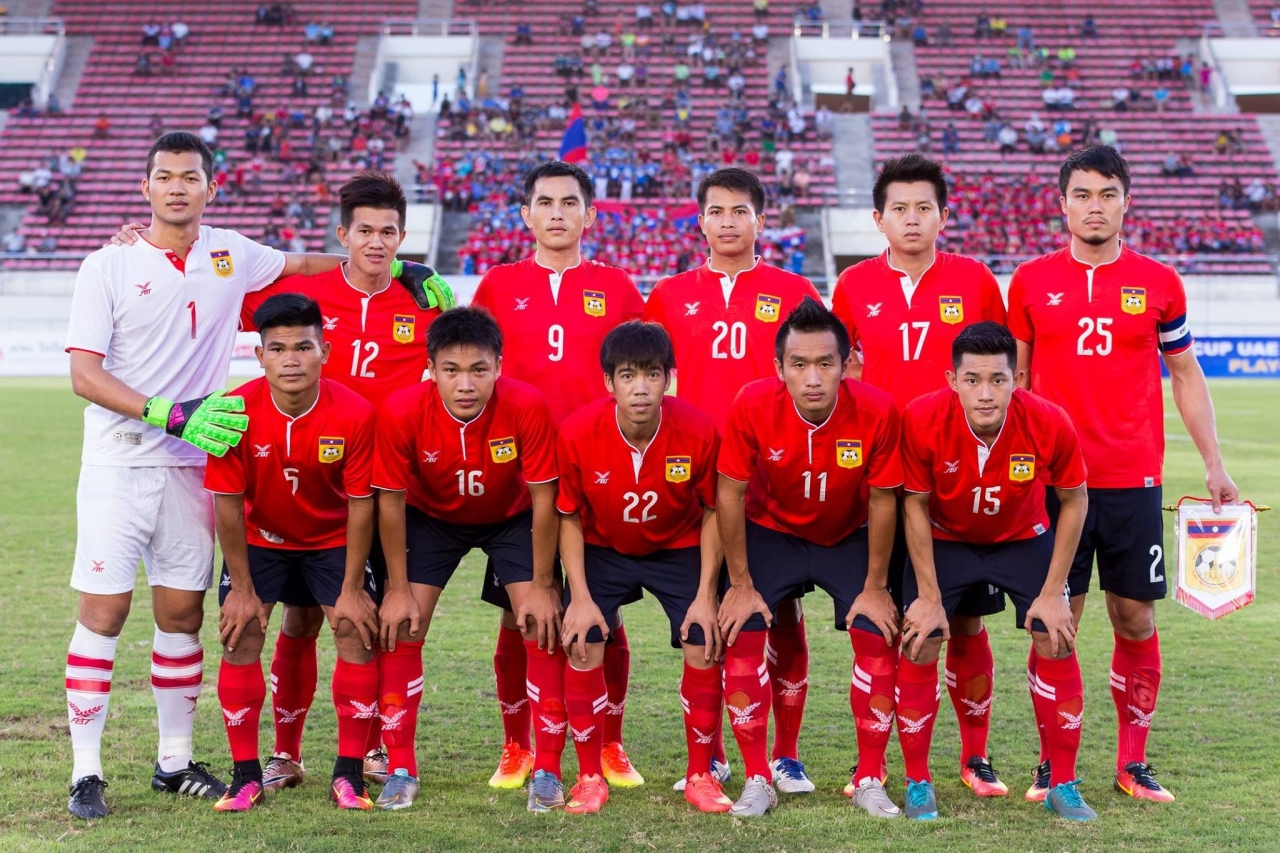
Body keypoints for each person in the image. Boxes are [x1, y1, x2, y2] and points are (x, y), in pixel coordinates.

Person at [62, 131, 347, 820]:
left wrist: (394, 266)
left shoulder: (232, 252)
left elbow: (309, 264)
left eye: (190, 177)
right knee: (104, 613)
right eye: (165, 176)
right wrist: (168, 412)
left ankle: (174, 761)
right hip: (119, 460)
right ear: (146, 187)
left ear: (211, 188)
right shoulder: (106, 264)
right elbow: (84, 375)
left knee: (182, 615)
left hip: (194, 466)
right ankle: (85, 771)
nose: (177, 187)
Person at [1007, 145, 1237, 803]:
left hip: (1134, 481)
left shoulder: (1160, 282)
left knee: (1134, 617)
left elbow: (1185, 374)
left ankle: (1132, 763)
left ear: (1126, 202)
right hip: (1056, 486)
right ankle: (1052, 764)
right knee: (1054, 623)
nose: (1095, 206)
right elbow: (1016, 379)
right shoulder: (1029, 281)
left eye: (1107, 194)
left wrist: (1214, 463)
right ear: (1062, 204)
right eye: (1082, 194)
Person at [234, 171, 452, 797]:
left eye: (389, 233)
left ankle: (375, 745)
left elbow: (464, 358)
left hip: (388, 488)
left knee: (375, 620)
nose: (376, 242)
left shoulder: (424, 301)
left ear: (403, 238)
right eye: (365, 231)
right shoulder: (303, 295)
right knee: (300, 622)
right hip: (311, 483)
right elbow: (218, 285)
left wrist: (421, 280)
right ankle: (286, 753)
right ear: (343, 235)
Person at [830, 153, 1010, 799]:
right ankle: (871, 762)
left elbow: (999, 376)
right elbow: (841, 369)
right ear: (878, 218)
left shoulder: (976, 280)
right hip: (879, 482)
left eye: (923, 208)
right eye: (899, 208)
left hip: (955, 480)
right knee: (878, 621)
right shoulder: (852, 285)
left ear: (943, 214)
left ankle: (975, 756)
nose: (912, 219)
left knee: (964, 622)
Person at [644, 168, 823, 796]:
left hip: (773, 479)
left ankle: (787, 755)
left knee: (782, 611)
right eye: (716, 211)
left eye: (740, 211)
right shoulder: (669, 295)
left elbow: (818, 373)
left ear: (760, 220)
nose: (728, 222)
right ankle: (714, 756)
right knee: (710, 615)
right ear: (700, 222)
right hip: (698, 482)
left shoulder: (795, 290)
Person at [470, 161, 646, 792]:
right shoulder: (498, 283)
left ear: (590, 214)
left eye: (569, 202)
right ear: (525, 214)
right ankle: (517, 744)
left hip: (597, 478)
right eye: (544, 202)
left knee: (605, 615)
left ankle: (609, 744)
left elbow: (638, 374)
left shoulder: (617, 287)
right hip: (522, 483)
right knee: (520, 614)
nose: (557, 213)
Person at [897, 321, 1093, 821]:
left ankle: (1062, 783)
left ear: (1017, 379)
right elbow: (914, 505)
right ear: (952, 380)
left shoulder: (1048, 420)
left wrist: (1053, 592)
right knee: (921, 639)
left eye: (998, 380)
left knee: (1055, 635)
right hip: (947, 538)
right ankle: (918, 781)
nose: (985, 393)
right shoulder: (921, 417)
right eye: (972, 380)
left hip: (1021, 537)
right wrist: (928, 596)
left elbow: (1074, 501)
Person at [715, 297, 903, 817]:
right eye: (799, 364)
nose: (813, 378)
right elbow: (729, 493)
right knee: (743, 629)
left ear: (847, 363)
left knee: (877, 633)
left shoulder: (878, 409)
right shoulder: (752, 403)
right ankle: (758, 777)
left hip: (847, 533)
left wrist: (876, 586)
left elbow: (884, 499)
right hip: (772, 531)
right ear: (779, 368)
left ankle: (869, 777)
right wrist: (740, 584)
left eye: (826, 363)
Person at [371, 307, 564, 813]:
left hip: (512, 517)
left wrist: (543, 583)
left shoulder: (526, 404)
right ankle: (401, 768)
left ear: (498, 365)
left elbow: (545, 498)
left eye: (479, 369)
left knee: (540, 623)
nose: (465, 384)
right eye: (451, 370)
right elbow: (389, 502)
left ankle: (547, 769)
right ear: (430, 369)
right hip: (431, 518)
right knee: (402, 625)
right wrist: (396, 588)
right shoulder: (401, 410)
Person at [205, 294, 380, 813]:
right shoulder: (233, 411)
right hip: (261, 540)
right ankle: (245, 777)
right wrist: (240, 588)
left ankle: (349, 775)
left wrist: (352, 588)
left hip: (332, 541)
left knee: (354, 629)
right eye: (277, 349)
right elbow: (227, 504)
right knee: (241, 632)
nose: (291, 360)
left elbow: (361, 505)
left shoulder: (355, 412)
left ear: (324, 351)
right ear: (259, 356)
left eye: (303, 347)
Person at [556, 321, 728, 814]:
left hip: (678, 547)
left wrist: (705, 595)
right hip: (603, 547)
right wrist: (580, 597)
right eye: (628, 375)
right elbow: (568, 516)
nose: (640, 388)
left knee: (704, 639)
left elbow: (714, 510)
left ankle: (701, 775)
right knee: (583, 640)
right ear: (608, 382)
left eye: (652, 374)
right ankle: (589, 777)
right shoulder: (577, 432)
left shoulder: (698, 429)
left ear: (669, 378)